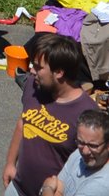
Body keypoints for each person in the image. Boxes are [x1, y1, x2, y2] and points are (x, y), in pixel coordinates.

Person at [6, 36, 96, 196]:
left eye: (38, 67)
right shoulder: (33, 86)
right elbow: (23, 122)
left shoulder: (88, 113)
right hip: (17, 188)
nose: (31, 71)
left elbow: (94, 166)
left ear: (59, 72)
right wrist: (10, 163)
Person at [48, 107, 109, 194]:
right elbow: (59, 186)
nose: (85, 151)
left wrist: (47, 188)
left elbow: (53, 186)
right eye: (80, 142)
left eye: (93, 146)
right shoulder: (78, 154)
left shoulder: (102, 184)